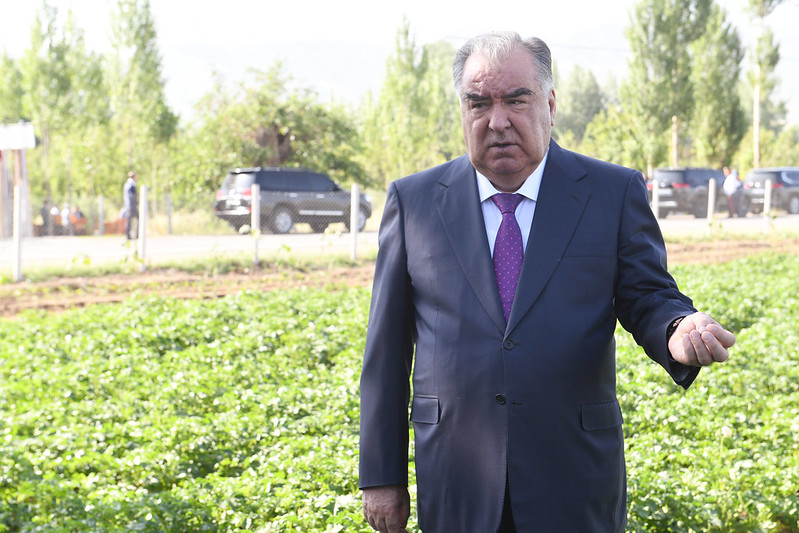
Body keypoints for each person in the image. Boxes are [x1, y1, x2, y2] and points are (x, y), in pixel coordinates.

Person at [359, 32, 735, 533]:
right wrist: (381, 475)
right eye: (479, 103)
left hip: (573, 476)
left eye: (517, 100)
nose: (497, 121)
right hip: (456, 476)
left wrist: (676, 328)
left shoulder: (609, 192)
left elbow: (647, 294)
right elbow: (385, 352)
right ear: (462, 111)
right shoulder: (415, 202)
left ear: (550, 104)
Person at [123, 171, 139, 239]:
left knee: (128, 221)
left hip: (128, 206)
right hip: (132, 206)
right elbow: (132, 196)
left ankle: (128, 236)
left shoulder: (126, 184)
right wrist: (137, 203)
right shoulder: (131, 185)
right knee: (138, 219)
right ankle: (137, 235)